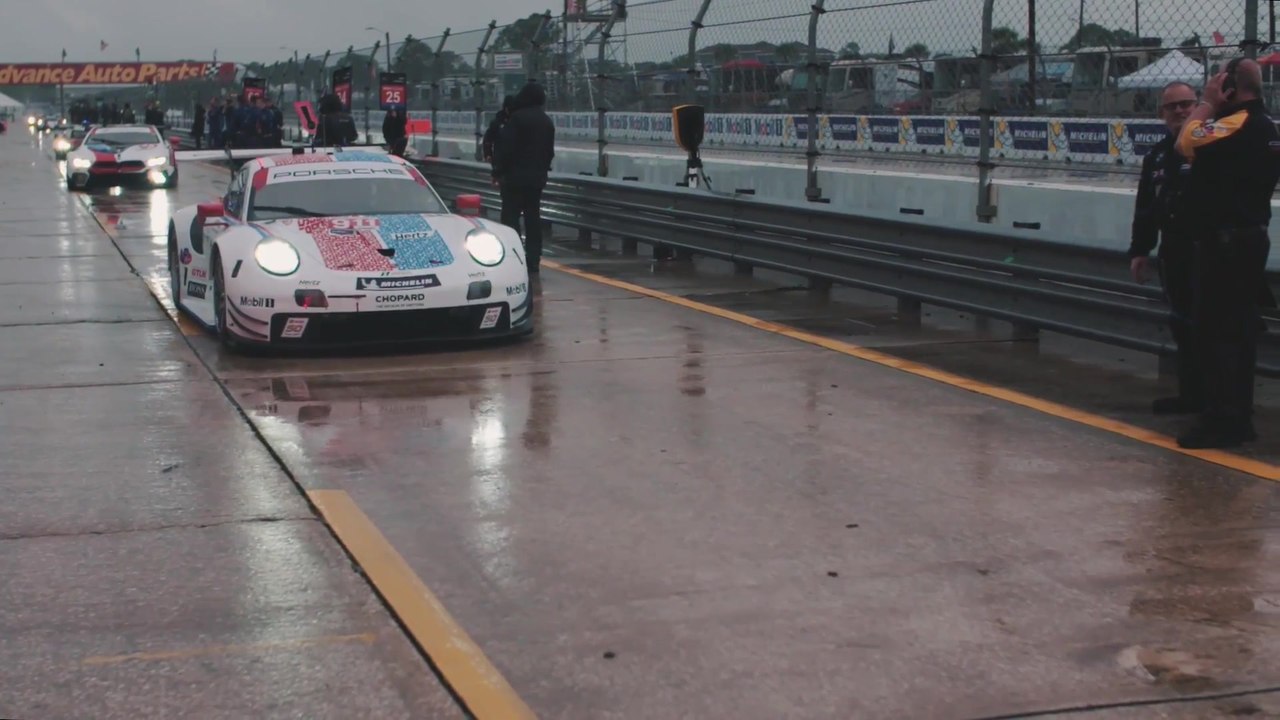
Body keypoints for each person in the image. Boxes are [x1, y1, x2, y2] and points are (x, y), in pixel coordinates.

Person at [1172, 57, 1280, 448]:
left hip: (1227, 244)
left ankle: (1223, 420)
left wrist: (1206, 101)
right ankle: (1237, 417)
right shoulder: (1266, 126)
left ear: (1230, 87)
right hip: (1248, 238)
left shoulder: (1236, 123)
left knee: (1216, 333)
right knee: (1238, 333)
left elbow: (1185, 141)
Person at [1128, 81, 1198, 414]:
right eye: (1173, 106)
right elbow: (1146, 208)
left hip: (1209, 251)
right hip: (1174, 252)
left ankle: (1217, 401)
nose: (1181, 111)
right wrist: (1140, 250)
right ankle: (1190, 395)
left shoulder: (1210, 147)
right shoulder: (1157, 155)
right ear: (1162, 113)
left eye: (1187, 104)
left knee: (1209, 328)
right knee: (1182, 325)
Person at [493, 82, 555, 273]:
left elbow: (505, 148)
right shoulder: (546, 121)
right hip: (536, 179)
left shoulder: (517, 119)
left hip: (514, 179)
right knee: (533, 218)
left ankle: (514, 257)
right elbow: (549, 152)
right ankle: (534, 259)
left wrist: (498, 171)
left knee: (510, 218)